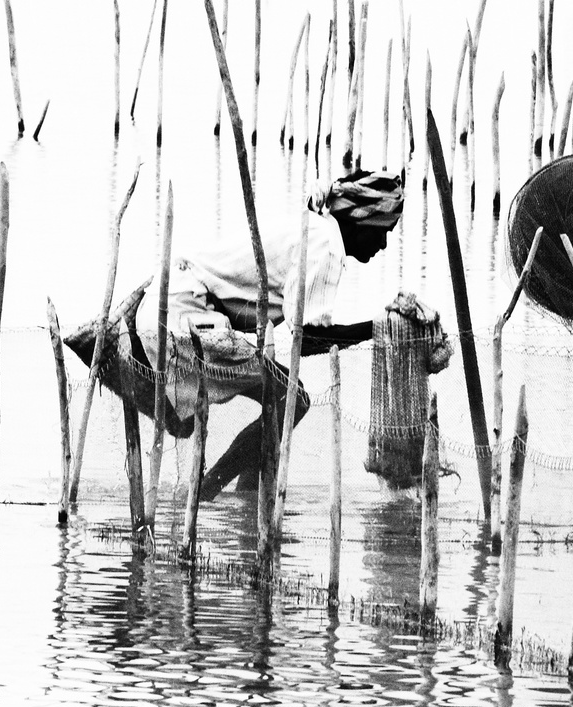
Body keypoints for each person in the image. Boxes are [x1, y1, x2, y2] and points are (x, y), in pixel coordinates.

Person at [67, 168, 450, 499]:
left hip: (172, 302)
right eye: (381, 232)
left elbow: (300, 333)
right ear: (359, 221)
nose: (382, 244)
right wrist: (377, 328)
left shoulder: (313, 229)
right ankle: (208, 490)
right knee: (290, 400)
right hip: (187, 311)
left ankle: (245, 495)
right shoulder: (327, 247)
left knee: (270, 401)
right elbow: (309, 339)